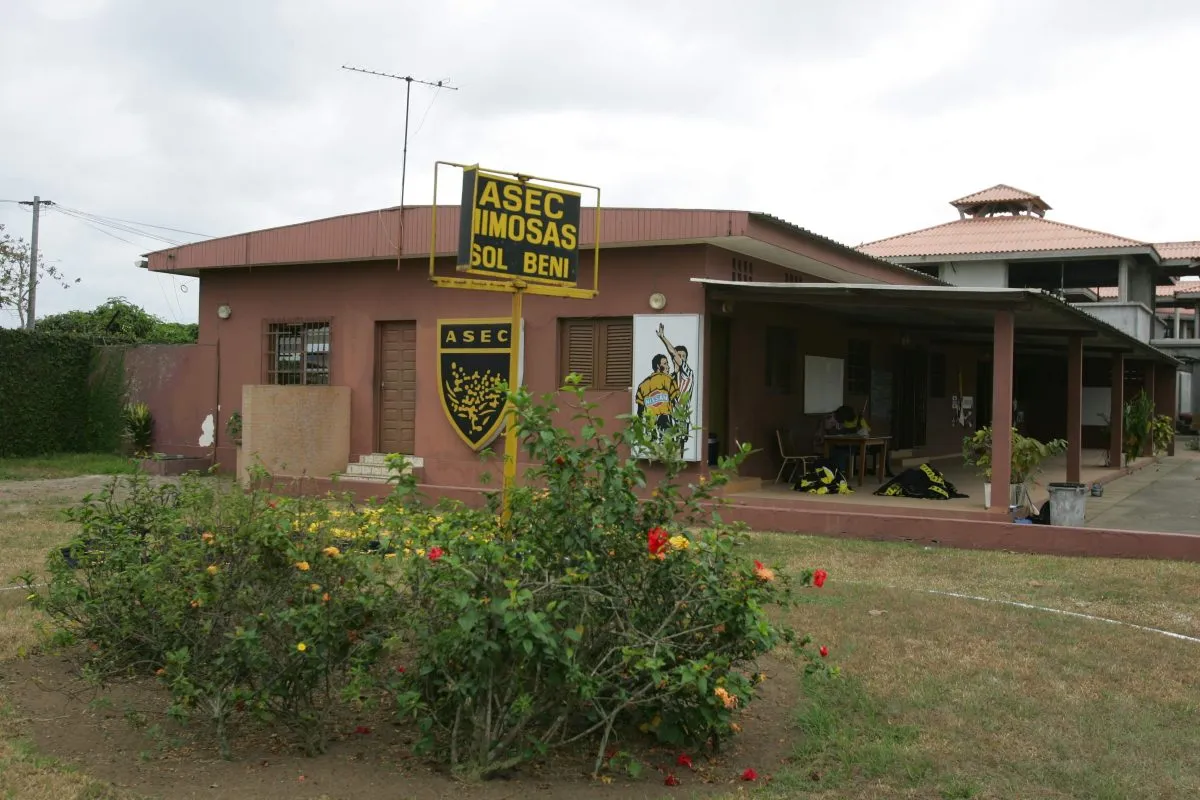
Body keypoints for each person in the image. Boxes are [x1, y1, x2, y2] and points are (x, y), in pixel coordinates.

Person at [635, 353, 680, 447]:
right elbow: (676, 405)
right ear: (658, 366)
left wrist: (639, 432)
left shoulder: (642, 385)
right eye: (666, 364)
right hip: (666, 426)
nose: (668, 367)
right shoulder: (669, 380)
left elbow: (640, 412)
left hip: (651, 428)